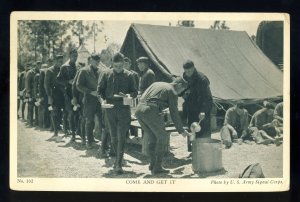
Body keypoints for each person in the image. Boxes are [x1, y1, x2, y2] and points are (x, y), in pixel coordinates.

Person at [135, 77, 190, 175]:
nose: (180, 93)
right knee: (163, 137)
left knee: (153, 138)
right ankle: (157, 167)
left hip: (139, 110)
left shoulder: (157, 83)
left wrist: (158, 110)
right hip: (150, 111)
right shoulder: (172, 91)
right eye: (182, 90)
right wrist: (181, 130)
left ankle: (152, 164)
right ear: (179, 85)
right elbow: (174, 113)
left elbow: (151, 98)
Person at [97, 52, 138, 174]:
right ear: (112, 64)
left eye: (121, 66)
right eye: (116, 66)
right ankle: (118, 159)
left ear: (124, 64)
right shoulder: (106, 74)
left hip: (124, 107)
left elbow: (135, 92)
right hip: (110, 107)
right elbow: (99, 91)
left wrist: (130, 96)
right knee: (114, 136)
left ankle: (119, 163)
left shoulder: (129, 75)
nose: (119, 69)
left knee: (121, 136)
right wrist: (102, 101)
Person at [181, 60, 213, 152]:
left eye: (190, 71)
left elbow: (208, 98)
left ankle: (205, 151)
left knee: (203, 130)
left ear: (194, 68)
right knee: (192, 128)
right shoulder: (185, 76)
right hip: (191, 108)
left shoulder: (202, 79)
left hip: (201, 108)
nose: (188, 73)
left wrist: (204, 111)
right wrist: (183, 94)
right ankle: (193, 151)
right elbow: (184, 89)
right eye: (186, 71)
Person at [76, 53, 102, 149]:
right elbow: (78, 85)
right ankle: (89, 141)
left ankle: (96, 139)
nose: (97, 62)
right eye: (95, 60)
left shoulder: (101, 71)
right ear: (91, 60)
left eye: (98, 61)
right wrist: (90, 92)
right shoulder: (84, 71)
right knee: (89, 120)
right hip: (88, 99)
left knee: (100, 120)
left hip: (99, 100)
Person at [57, 49, 78, 142]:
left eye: (76, 56)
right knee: (71, 113)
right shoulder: (64, 67)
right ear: (70, 56)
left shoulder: (78, 66)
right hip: (68, 94)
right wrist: (68, 82)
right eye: (73, 56)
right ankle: (73, 134)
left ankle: (76, 132)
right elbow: (58, 80)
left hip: (78, 93)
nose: (75, 57)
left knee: (78, 114)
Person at [44, 55, 64, 137]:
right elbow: (46, 85)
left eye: (61, 62)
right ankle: (55, 131)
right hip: (53, 94)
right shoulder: (50, 71)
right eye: (59, 61)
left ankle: (58, 127)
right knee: (54, 112)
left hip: (62, 93)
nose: (61, 63)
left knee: (60, 112)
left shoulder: (62, 70)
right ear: (55, 61)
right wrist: (49, 96)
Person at [25, 62, 40, 127]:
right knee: (30, 108)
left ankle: (36, 122)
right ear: (35, 65)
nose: (39, 66)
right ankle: (30, 122)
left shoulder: (39, 72)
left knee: (37, 108)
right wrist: (28, 92)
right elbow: (27, 83)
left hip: (37, 93)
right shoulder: (30, 72)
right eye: (38, 65)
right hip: (31, 93)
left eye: (40, 65)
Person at [38, 63, 50, 129]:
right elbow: (40, 85)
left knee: (48, 109)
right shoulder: (42, 73)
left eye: (46, 67)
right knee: (45, 109)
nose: (45, 68)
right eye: (44, 67)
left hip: (48, 94)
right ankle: (44, 124)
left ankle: (47, 123)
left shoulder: (47, 72)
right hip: (44, 94)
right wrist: (41, 95)